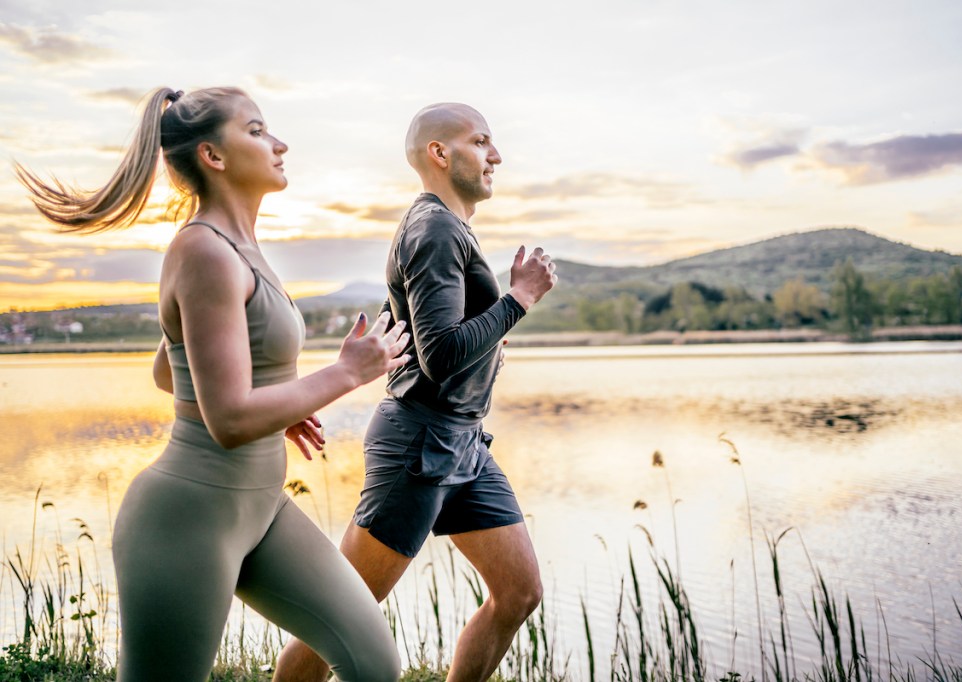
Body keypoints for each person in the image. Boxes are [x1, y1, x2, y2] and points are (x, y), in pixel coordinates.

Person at [16, 86, 409, 682]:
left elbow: (166, 369)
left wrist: (278, 404)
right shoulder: (205, 251)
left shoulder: (241, 249)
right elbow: (227, 422)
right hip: (188, 516)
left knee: (374, 663)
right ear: (213, 156)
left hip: (261, 510)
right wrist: (346, 372)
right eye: (256, 130)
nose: (278, 143)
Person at [275, 103, 557, 682]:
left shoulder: (444, 228)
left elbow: (411, 334)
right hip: (418, 446)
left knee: (519, 593)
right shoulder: (434, 229)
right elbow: (442, 354)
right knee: (342, 615)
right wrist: (519, 300)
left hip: (464, 444)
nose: (496, 156)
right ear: (439, 153)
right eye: (481, 142)